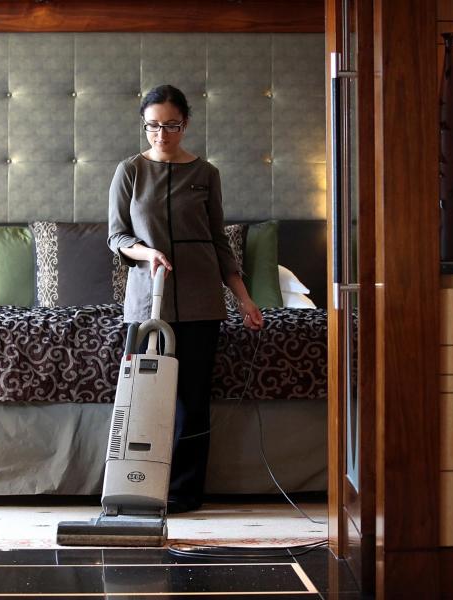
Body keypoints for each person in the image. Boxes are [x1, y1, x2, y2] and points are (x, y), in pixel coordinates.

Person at [107, 84, 263, 514]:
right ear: (144, 125)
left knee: (192, 401)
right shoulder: (130, 171)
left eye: (171, 125)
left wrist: (245, 300)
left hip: (199, 302)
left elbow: (218, 243)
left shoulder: (206, 174)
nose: (162, 134)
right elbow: (116, 236)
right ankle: (135, 485)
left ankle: (184, 493)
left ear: (186, 123)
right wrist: (147, 252)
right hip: (146, 304)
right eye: (153, 126)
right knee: (142, 398)